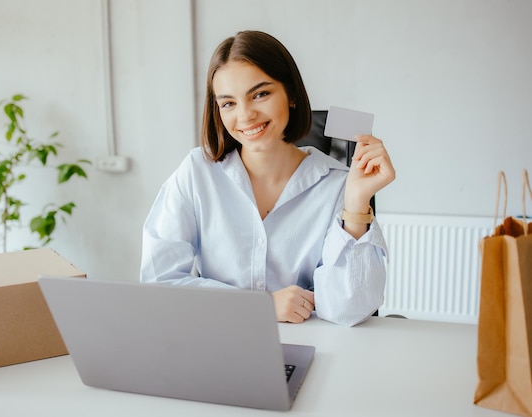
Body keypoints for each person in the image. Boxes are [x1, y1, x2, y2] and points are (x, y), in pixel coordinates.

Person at [140, 30, 395, 327]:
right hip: (217, 345)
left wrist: (356, 202)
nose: (246, 116)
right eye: (228, 103)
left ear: (291, 96)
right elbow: (160, 285)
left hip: (310, 347)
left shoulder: (338, 184)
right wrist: (257, 306)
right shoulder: (196, 173)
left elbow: (348, 310)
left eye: (260, 94)